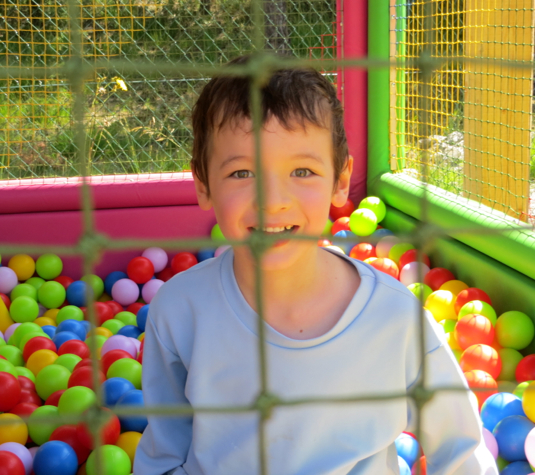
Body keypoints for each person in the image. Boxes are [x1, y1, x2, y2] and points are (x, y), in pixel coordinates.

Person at [133, 55, 498, 475]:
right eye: (242, 173)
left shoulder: (396, 321)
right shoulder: (179, 310)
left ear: (341, 181)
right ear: (203, 184)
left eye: (302, 171)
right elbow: (164, 454)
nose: (273, 199)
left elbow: (463, 454)